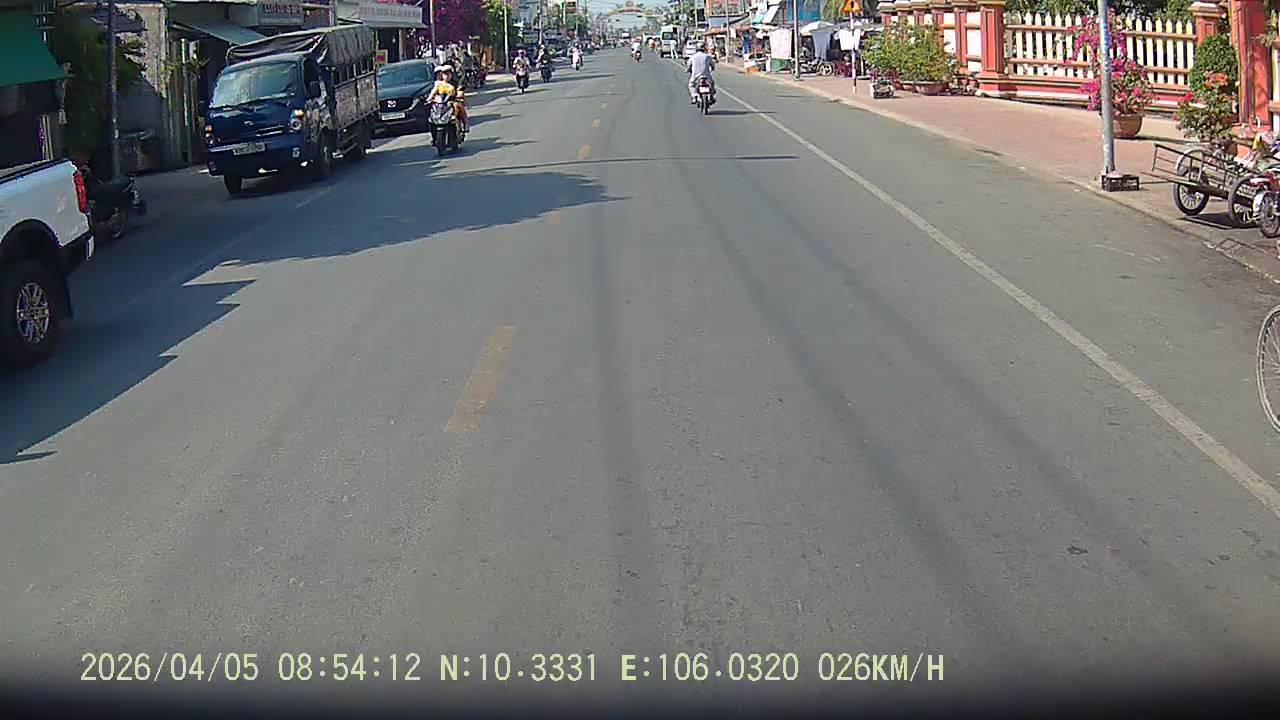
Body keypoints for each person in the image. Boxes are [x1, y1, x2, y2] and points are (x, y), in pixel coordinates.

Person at [427, 64, 467, 134]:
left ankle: (465, 125)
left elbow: (460, 90)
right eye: (444, 74)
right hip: (442, 104)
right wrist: (430, 99)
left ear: (451, 74)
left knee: (459, 106)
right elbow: (433, 92)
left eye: (448, 74)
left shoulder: (456, 83)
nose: (446, 76)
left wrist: (459, 96)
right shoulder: (438, 84)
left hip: (453, 101)